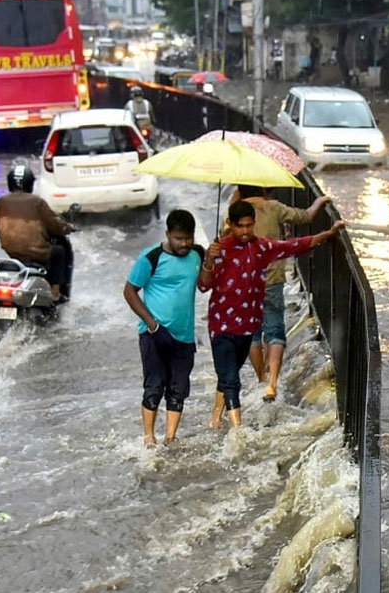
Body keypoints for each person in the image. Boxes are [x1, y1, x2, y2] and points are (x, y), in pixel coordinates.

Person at [199, 200, 345, 431]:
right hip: (222, 325)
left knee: (229, 374)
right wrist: (208, 261)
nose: (246, 231)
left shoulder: (262, 247)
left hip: (247, 326)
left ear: (254, 224)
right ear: (230, 224)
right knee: (231, 379)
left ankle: (215, 420)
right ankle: (238, 431)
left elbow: (295, 245)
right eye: (241, 226)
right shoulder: (219, 250)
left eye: (249, 226)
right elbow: (204, 285)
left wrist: (328, 234)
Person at [232, 185, 332, 402]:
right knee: (275, 328)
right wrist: (320, 202)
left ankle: (261, 377)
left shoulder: (235, 212)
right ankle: (272, 383)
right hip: (272, 279)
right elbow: (305, 216)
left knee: (252, 333)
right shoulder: (273, 207)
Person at [124, 209, 205, 448]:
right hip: (154, 333)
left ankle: (170, 438)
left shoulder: (197, 254)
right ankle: (149, 437)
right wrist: (152, 325)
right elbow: (129, 291)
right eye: (179, 238)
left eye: (188, 238)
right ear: (168, 234)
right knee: (154, 386)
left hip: (185, 334)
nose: (184, 244)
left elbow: (204, 286)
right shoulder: (151, 257)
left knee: (179, 389)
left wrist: (210, 263)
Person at [0, 164, 75, 302]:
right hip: (36, 253)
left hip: (12, 253)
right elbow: (54, 224)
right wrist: (68, 227)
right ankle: (55, 292)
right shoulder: (37, 202)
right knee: (59, 251)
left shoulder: (2, 201)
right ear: (29, 184)